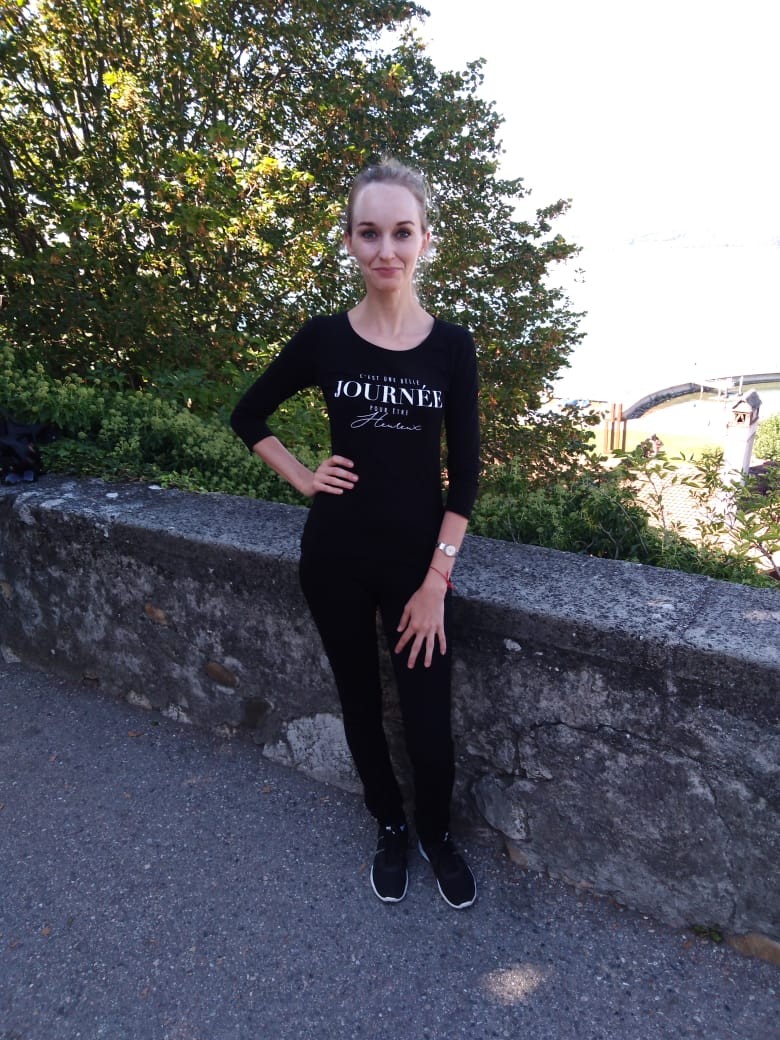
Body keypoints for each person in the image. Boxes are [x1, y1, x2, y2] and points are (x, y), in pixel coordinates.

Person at [231, 158, 480, 909]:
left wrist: (436, 582)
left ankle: (436, 831)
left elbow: (466, 476)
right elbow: (248, 415)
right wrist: (303, 477)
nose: (385, 249)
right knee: (361, 707)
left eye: (402, 232)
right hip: (335, 556)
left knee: (429, 725)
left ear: (425, 240)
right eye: (369, 233)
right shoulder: (325, 339)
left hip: (415, 567)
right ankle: (391, 826)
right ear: (349, 241)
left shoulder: (452, 346)